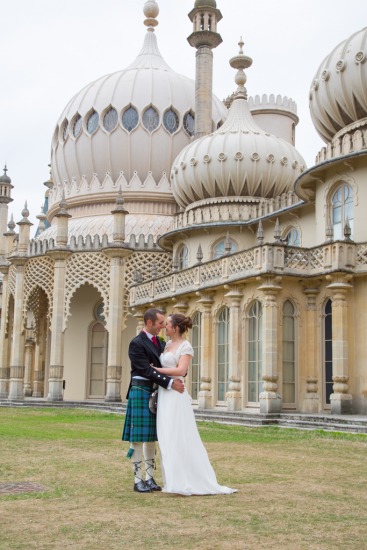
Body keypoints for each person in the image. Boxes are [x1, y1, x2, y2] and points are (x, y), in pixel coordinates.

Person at [154, 313, 237, 496]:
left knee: (178, 435)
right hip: (165, 393)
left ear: (175, 328)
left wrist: (154, 370)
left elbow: (181, 370)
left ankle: (188, 481)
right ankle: (173, 480)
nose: (164, 327)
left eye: (167, 324)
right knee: (166, 435)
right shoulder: (167, 345)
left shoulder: (185, 346)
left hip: (176, 394)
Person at [122, 308, 184, 493]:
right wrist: (170, 383)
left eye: (165, 323)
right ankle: (137, 479)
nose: (163, 326)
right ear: (149, 323)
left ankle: (149, 478)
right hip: (140, 391)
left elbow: (164, 365)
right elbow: (145, 370)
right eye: (160, 323)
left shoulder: (162, 343)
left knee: (151, 438)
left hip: (156, 393)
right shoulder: (136, 343)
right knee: (138, 438)